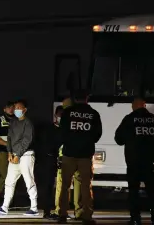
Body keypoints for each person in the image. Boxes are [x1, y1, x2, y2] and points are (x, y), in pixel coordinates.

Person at [57, 90, 102, 225]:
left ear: (75, 99)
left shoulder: (67, 113)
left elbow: (62, 132)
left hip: (69, 154)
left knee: (65, 186)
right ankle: (86, 215)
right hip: (85, 155)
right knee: (85, 186)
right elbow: (97, 134)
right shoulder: (93, 114)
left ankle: (62, 214)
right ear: (87, 98)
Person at [115, 97, 154, 225]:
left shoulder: (129, 119)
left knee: (134, 191)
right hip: (150, 161)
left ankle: (135, 218)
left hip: (134, 161)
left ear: (134, 106)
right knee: (152, 191)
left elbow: (118, 139)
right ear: (144, 105)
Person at [0, 99, 39, 216]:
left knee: (28, 179)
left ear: (25, 110)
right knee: (9, 181)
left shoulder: (28, 123)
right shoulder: (13, 122)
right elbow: (10, 139)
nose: (16, 110)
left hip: (26, 154)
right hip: (14, 156)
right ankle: (4, 207)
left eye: (18, 108)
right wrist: (9, 153)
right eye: (15, 107)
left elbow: (26, 140)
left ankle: (34, 208)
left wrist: (17, 154)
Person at [53, 98, 83, 221]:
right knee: (78, 184)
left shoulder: (65, 121)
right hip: (79, 155)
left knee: (63, 185)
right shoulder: (79, 118)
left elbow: (60, 140)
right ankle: (79, 212)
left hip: (66, 156)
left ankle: (60, 211)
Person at [43, 105, 64, 219]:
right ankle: (47, 211)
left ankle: (59, 210)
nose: (61, 117)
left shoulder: (65, 129)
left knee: (61, 186)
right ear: (55, 115)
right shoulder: (49, 129)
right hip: (51, 159)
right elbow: (46, 145)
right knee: (49, 185)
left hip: (62, 159)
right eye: (59, 115)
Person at [0, 101, 15, 199]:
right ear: (4, 109)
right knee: (5, 175)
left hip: (15, 152)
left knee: (13, 176)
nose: (11, 109)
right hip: (2, 151)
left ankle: (8, 198)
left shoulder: (17, 120)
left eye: (12, 107)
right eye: (9, 107)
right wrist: (8, 145)